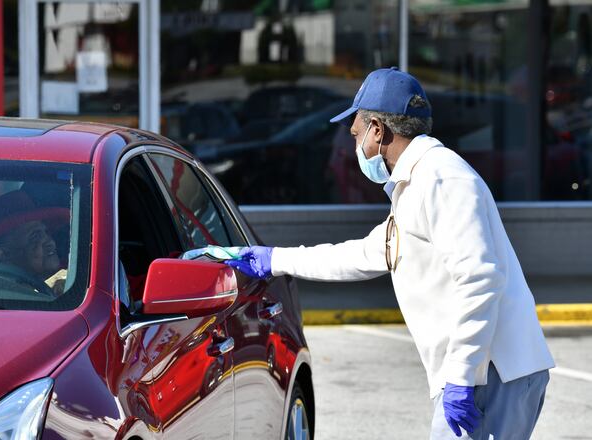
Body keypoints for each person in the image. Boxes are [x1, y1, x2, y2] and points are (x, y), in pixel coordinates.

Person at [227, 67, 555, 439]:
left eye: (355, 133)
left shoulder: (442, 180)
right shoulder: (415, 184)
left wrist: (462, 376)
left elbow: (481, 278)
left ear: (378, 130)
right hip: (486, 372)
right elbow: (362, 255)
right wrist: (274, 259)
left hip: (490, 373)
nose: (353, 147)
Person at [0, 190, 69, 289]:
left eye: (46, 232)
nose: (50, 242)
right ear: (5, 254)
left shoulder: (77, 278)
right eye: (35, 236)